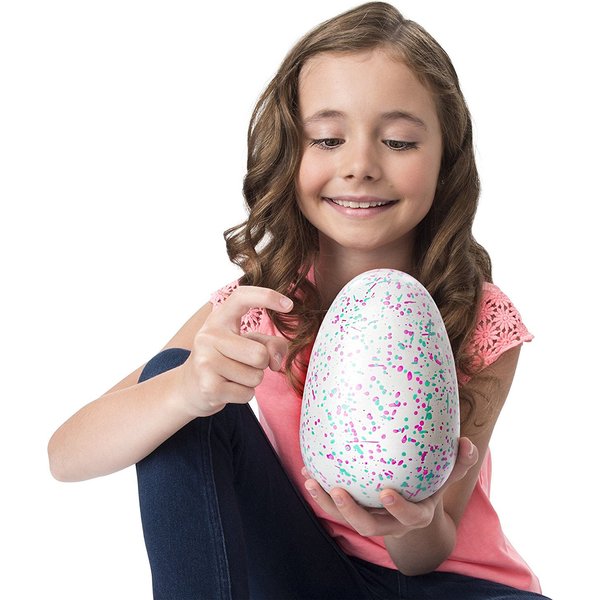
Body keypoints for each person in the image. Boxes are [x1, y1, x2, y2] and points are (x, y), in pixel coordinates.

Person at [48, 3, 550, 598]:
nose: (360, 166)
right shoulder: (258, 308)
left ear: (447, 159)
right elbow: (65, 455)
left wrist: (409, 520)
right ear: (290, 153)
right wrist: (186, 391)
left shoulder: (478, 315)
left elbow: (429, 552)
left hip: (454, 586)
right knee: (176, 385)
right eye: (328, 139)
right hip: (305, 576)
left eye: (398, 141)